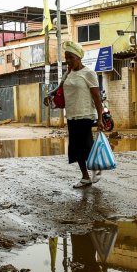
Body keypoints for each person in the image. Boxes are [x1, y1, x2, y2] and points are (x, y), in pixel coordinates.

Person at [45, 41, 104, 188]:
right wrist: (50, 95)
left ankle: (96, 168)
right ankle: (85, 177)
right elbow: (58, 89)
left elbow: (97, 98)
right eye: (66, 58)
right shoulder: (67, 73)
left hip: (85, 114)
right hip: (71, 115)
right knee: (76, 148)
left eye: (71, 57)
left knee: (87, 145)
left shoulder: (89, 73)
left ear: (79, 57)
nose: (68, 61)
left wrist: (100, 118)